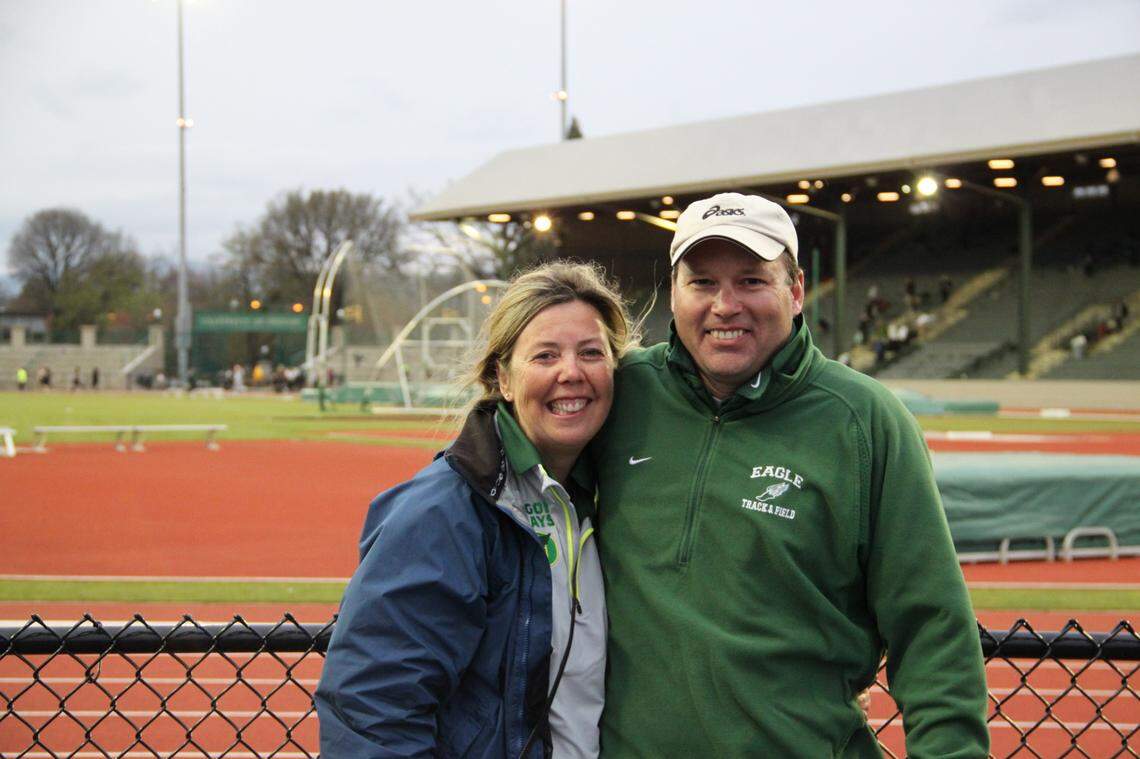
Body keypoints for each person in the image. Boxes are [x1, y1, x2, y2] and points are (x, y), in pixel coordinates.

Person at [592, 193, 988, 756]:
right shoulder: (623, 391)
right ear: (674, 293)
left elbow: (931, 624)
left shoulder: (865, 421)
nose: (725, 305)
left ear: (796, 290)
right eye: (701, 282)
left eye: (752, 281)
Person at [316, 262, 639, 758]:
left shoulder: (597, 499)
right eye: (545, 355)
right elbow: (372, 710)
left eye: (591, 352)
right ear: (502, 379)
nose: (571, 372)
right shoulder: (442, 512)